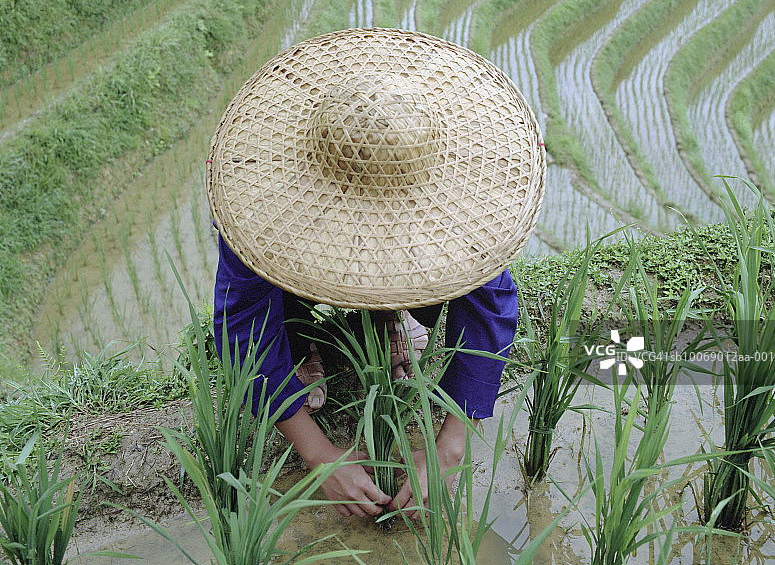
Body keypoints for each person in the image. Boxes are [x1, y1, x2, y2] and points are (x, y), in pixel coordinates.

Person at [206, 27, 545, 521]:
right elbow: (241, 325)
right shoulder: (259, 201)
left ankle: (387, 320)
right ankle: (302, 342)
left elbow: (490, 303)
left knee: (433, 280)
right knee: (281, 302)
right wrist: (320, 455)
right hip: (291, 247)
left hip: (412, 201)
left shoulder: (458, 211)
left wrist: (449, 446)